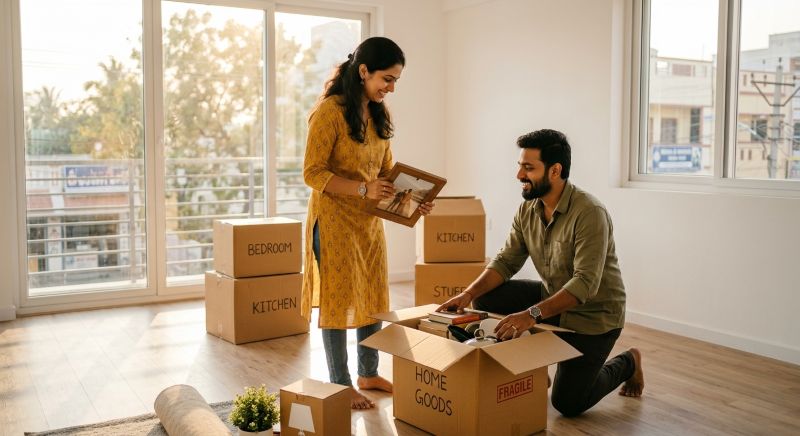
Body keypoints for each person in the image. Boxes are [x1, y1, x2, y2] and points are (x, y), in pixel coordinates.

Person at [436, 129, 644, 417]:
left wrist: (530, 315)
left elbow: (584, 284)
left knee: (568, 404)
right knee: (485, 299)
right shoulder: (528, 210)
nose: (519, 175)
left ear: (555, 170)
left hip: (594, 317)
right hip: (552, 301)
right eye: (520, 165)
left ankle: (629, 362)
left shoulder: (589, 213)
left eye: (529, 167)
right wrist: (468, 293)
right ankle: (531, 367)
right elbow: (505, 262)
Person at [302, 37, 433, 410]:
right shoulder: (329, 112)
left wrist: (414, 200)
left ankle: (367, 372)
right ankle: (340, 384)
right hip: (333, 222)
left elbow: (387, 172)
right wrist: (362, 188)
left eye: (395, 82)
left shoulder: (379, 114)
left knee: (373, 298)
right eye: (386, 79)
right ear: (363, 72)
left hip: (369, 223)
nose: (390, 88)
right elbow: (312, 173)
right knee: (338, 301)